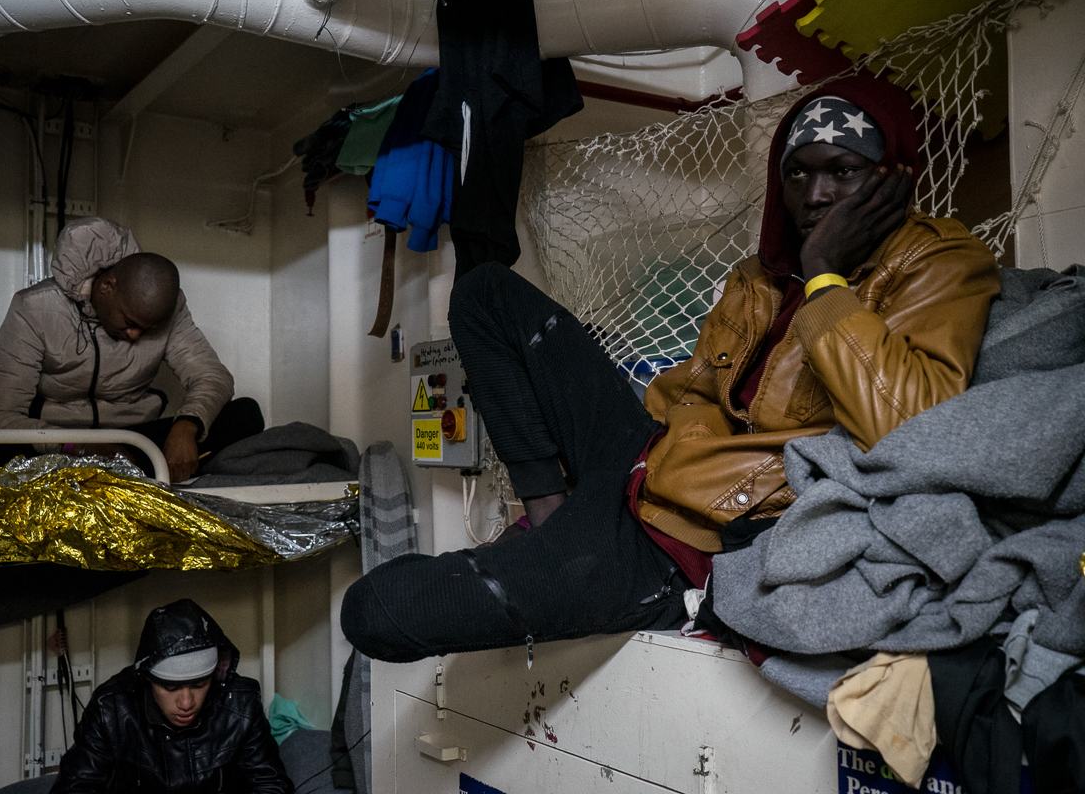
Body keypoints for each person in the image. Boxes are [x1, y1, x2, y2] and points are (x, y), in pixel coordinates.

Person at [341, 75, 1002, 663]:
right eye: (797, 173)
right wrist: (612, 450)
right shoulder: (760, 275)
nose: (816, 194)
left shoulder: (940, 263)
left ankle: (582, 544)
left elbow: (912, 430)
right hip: (644, 468)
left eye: (843, 171)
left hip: (688, 541)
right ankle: (552, 513)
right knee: (484, 292)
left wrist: (827, 277)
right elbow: (694, 392)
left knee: (379, 612)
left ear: (891, 178)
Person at [0, 217, 263, 482]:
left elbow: (213, 377)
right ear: (108, 286)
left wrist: (186, 426)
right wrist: (78, 446)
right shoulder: (35, 309)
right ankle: (120, 471)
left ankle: (129, 469)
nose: (136, 335)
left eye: (147, 329)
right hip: (57, 444)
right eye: (129, 322)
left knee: (245, 414)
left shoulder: (169, 309)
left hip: (133, 441)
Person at [51, 598, 293, 794]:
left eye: (199, 685)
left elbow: (271, 785)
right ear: (148, 679)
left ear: (214, 676)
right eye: (170, 688)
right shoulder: (111, 708)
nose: (186, 703)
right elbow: (74, 787)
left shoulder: (242, 704)